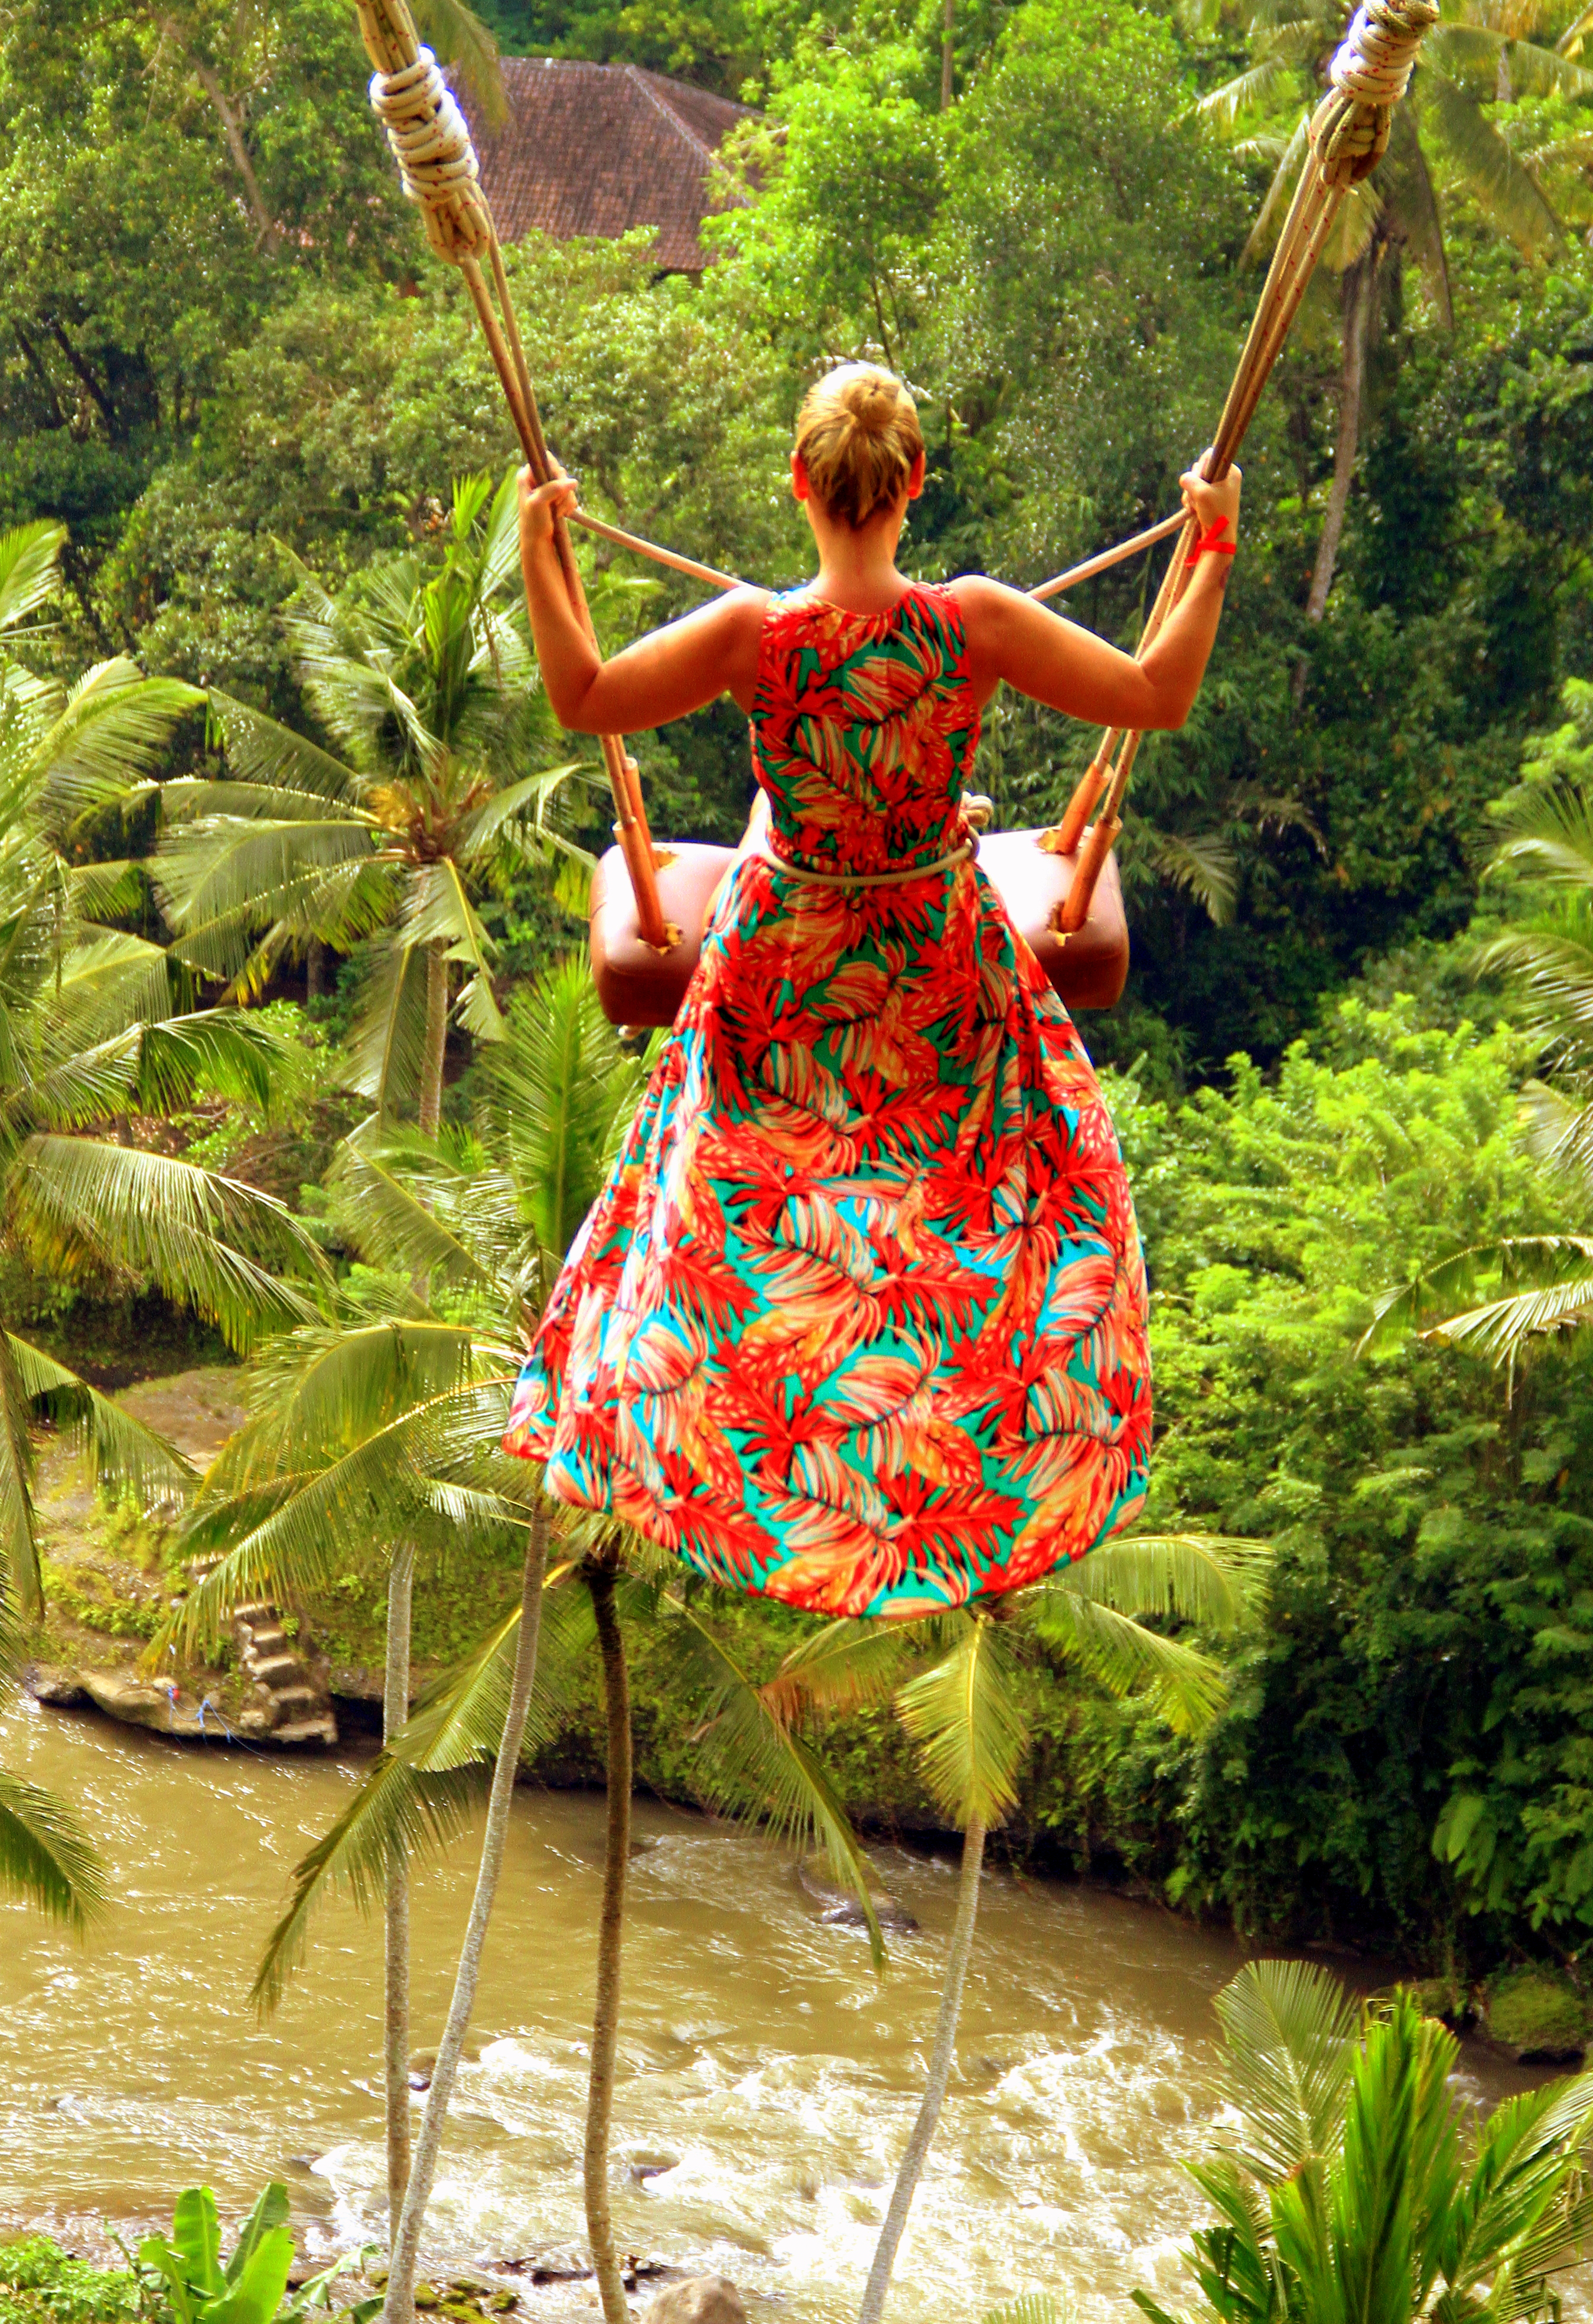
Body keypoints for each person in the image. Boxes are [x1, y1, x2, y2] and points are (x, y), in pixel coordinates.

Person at [504, 362, 1241, 1618]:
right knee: (993, 1205)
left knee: (719, 1201)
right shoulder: (973, 627)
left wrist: (541, 552)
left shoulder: (758, 635)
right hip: (929, 973)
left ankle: (722, 1450)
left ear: (801, 482)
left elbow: (582, 696)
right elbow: (1157, 694)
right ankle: (969, 1474)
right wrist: (1212, 551)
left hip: (788, 976)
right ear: (913, 486)